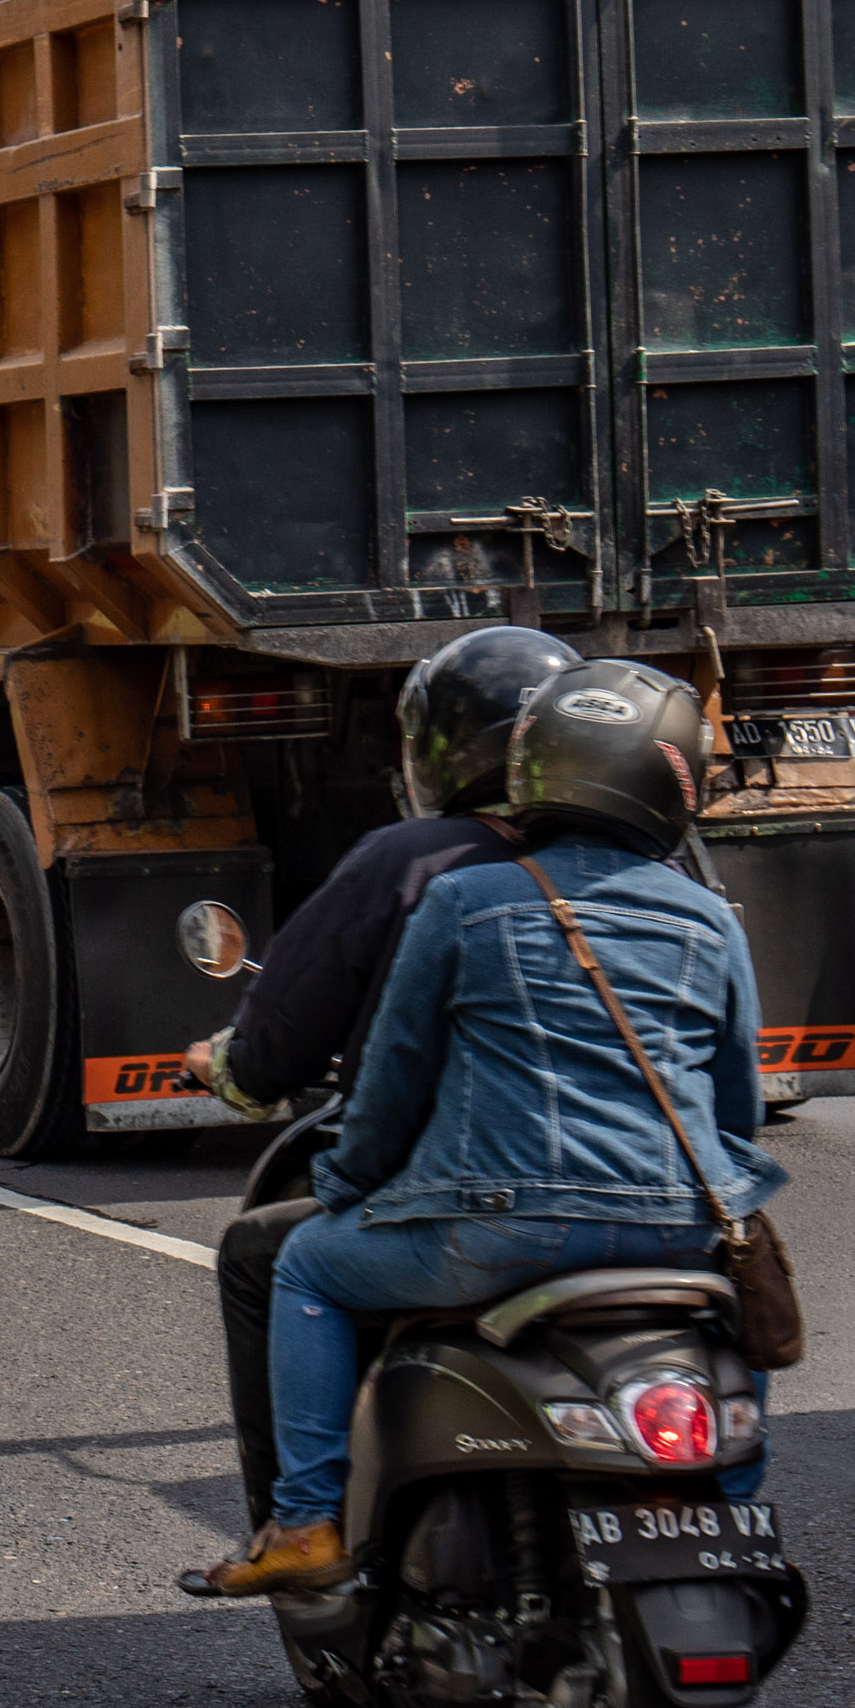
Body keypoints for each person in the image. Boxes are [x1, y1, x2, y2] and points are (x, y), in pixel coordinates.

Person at [197, 658, 781, 1596]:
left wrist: (347, 1187)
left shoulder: (464, 902)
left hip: (500, 1226)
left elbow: (391, 1083)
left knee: (304, 1263)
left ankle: (306, 1521)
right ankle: (735, 1505)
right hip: (680, 1224)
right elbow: (737, 1106)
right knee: (725, 1326)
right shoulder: (711, 918)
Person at [184, 624, 574, 1530]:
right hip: (674, 1219)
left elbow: (353, 1071)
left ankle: (304, 1524)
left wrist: (240, 1072)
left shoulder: (417, 870)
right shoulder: (665, 881)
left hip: (482, 1213)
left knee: (278, 1260)